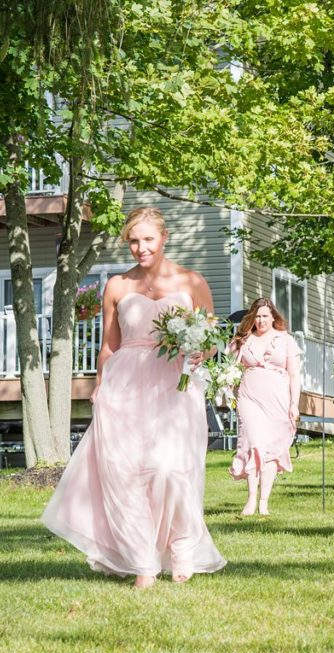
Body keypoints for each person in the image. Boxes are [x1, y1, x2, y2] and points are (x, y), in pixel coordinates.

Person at [42, 206, 226, 589]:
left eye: (148, 240)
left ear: (164, 238)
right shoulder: (117, 286)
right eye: (133, 241)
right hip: (124, 387)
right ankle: (143, 562)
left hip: (174, 386)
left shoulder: (192, 282)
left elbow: (211, 339)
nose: (141, 248)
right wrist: (99, 386)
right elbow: (109, 346)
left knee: (170, 468)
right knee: (125, 473)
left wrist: (201, 351)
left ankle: (181, 549)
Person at [228, 298, 302, 515]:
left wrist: (294, 404)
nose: (260, 321)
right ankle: (251, 498)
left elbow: (294, 375)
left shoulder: (285, 340)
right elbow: (229, 369)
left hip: (277, 400)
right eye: (257, 316)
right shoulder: (243, 340)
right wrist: (229, 389)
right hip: (249, 399)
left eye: (265, 316)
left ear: (273, 318)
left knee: (271, 449)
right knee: (253, 443)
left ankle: (264, 501)